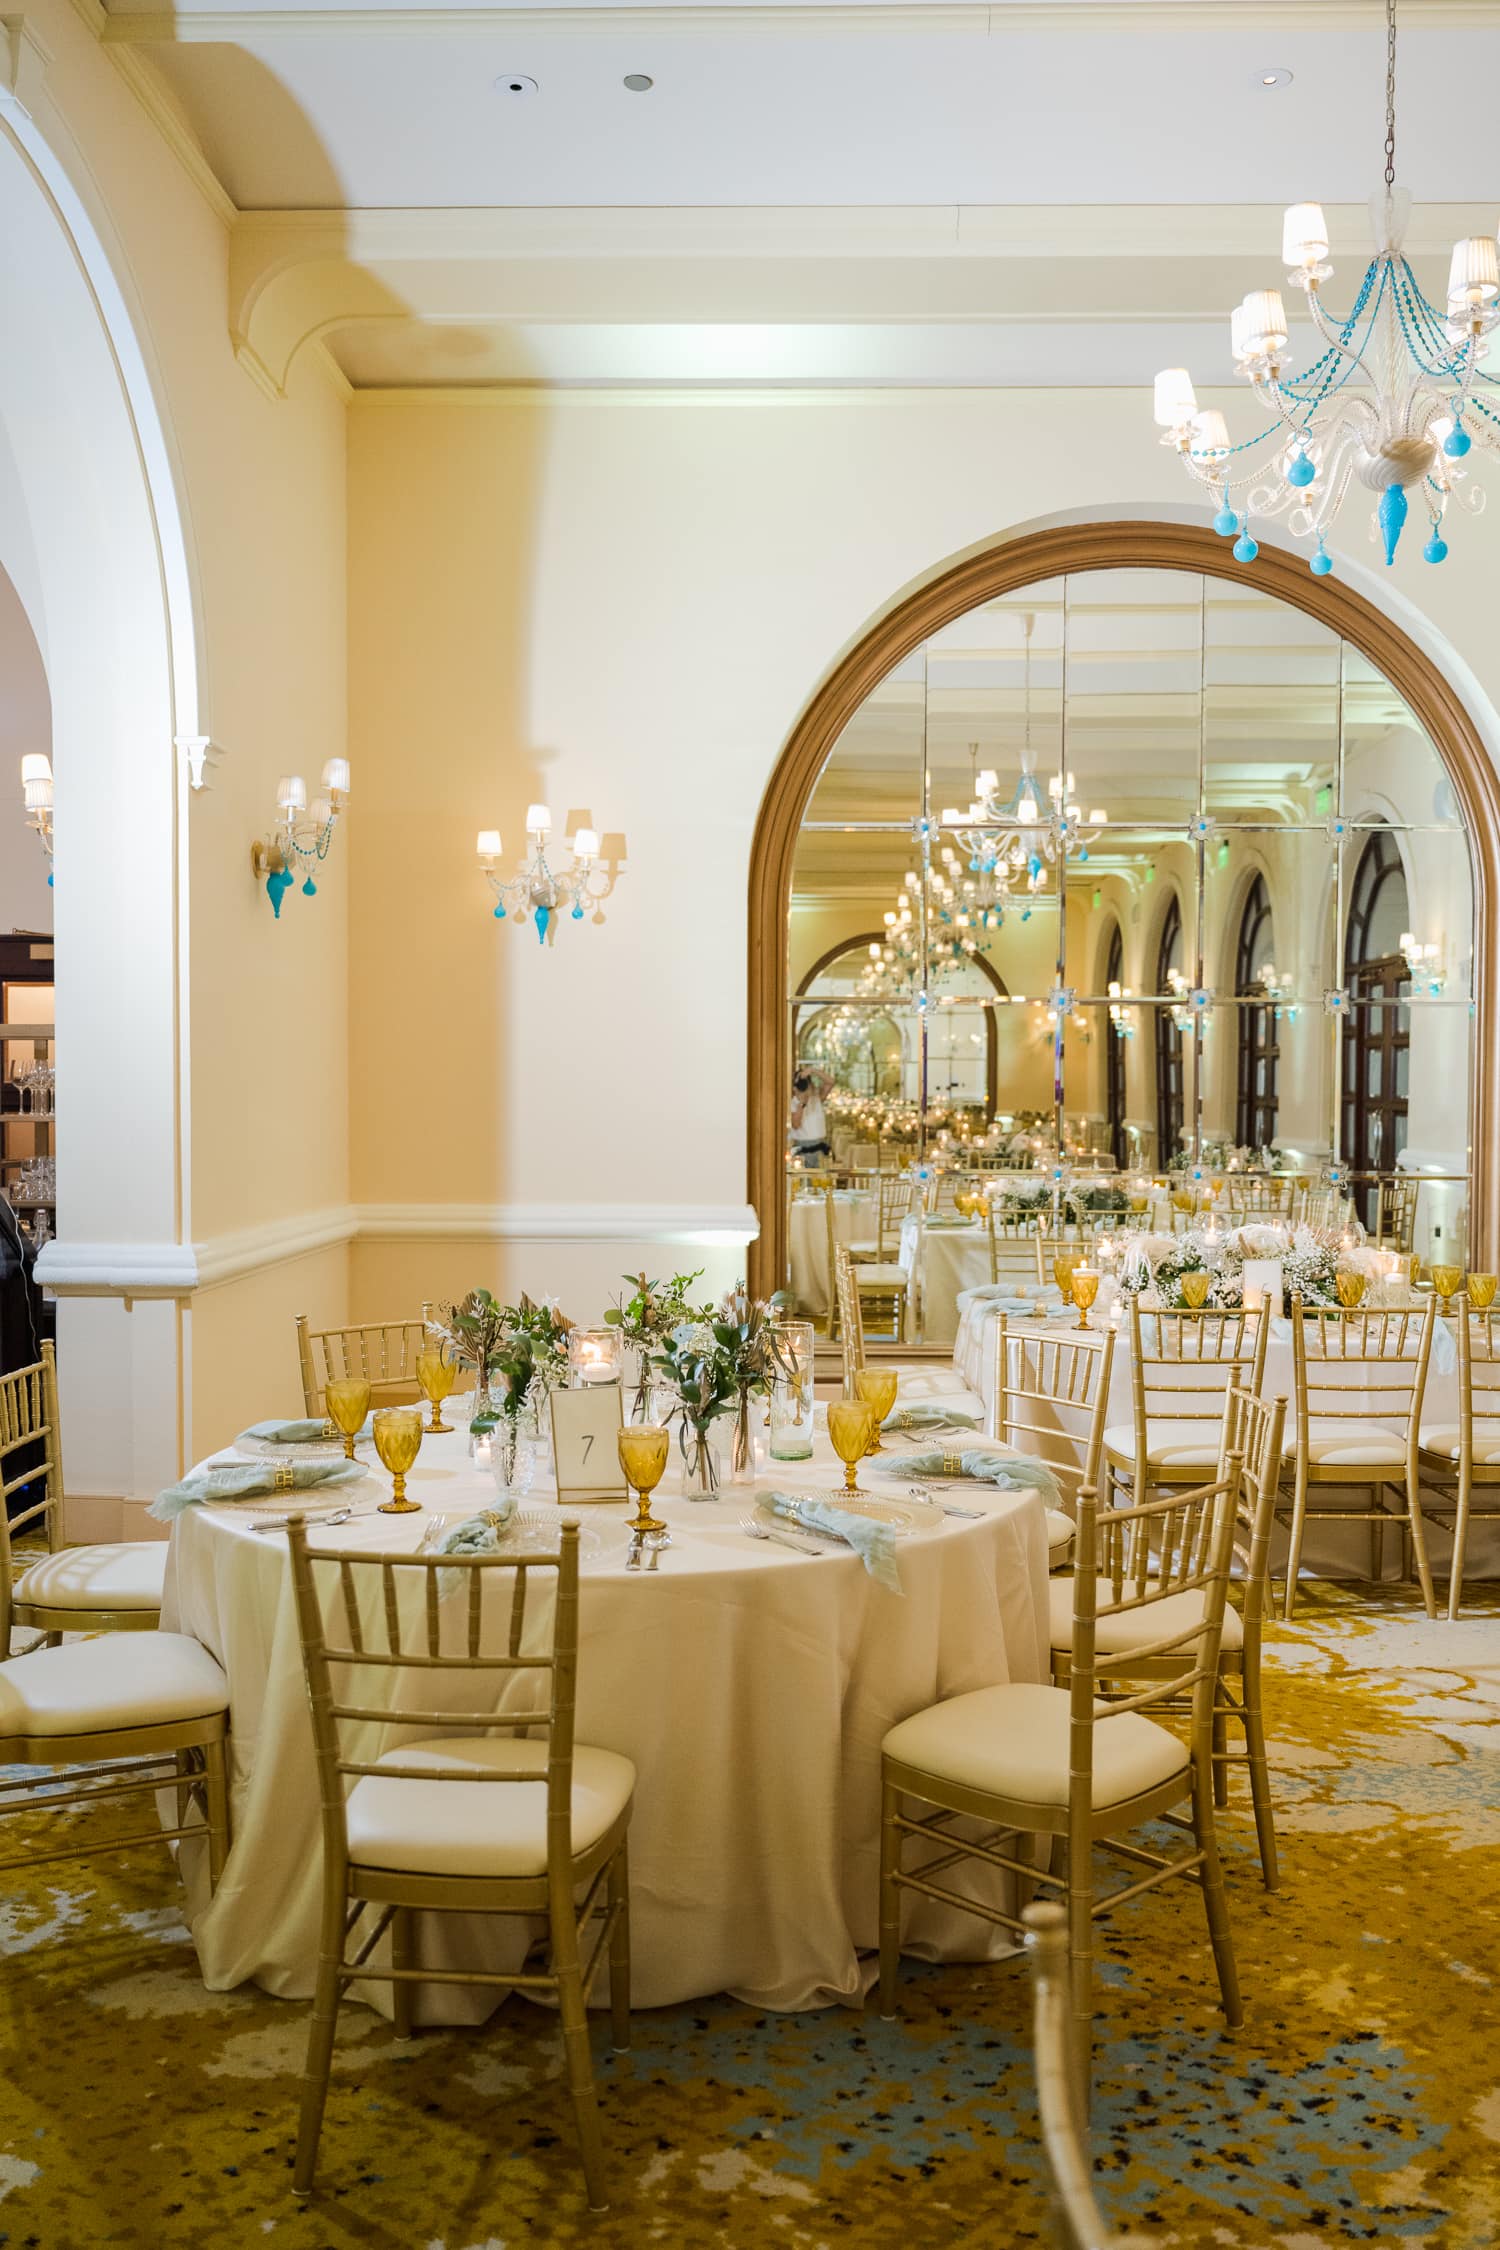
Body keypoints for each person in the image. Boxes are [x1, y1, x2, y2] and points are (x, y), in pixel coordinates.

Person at [789, 1067, 834, 1164]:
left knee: (821, 1179)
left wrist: (813, 1071)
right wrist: (802, 1101)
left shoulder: (816, 1098)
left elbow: (830, 1082)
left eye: (806, 1083)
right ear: (794, 1087)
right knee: (804, 1178)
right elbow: (796, 1125)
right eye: (801, 1084)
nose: (804, 1086)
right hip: (802, 1147)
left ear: (810, 1085)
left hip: (820, 1145)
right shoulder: (793, 1103)